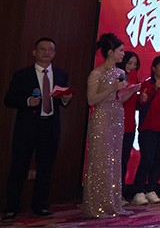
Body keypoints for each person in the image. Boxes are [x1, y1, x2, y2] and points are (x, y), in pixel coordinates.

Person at [4, 37, 75, 220]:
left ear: (54, 53)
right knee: (19, 167)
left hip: (50, 126)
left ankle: (41, 205)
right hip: (27, 128)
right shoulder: (22, 75)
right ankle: (11, 207)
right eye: (43, 49)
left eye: (50, 49)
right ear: (34, 52)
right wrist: (28, 101)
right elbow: (9, 99)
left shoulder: (60, 74)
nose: (46, 52)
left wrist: (66, 100)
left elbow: (62, 100)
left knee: (46, 168)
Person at [81, 33, 139, 219]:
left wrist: (130, 91)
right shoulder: (96, 73)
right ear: (110, 52)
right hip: (102, 118)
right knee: (100, 160)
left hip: (117, 117)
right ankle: (97, 206)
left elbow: (118, 98)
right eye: (120, 51)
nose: (123, 54)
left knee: (114, 161)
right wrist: (111, 88)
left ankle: (113, 204)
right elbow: (92, 100)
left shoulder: (120, 73)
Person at [131, 55, 160, 205]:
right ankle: (138, 190)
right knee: (147, 159)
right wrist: (154, 89)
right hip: (148, 127)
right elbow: (140, 103)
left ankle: (152, 188)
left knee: (158, 159)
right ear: (153, 68)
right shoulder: (145, 84)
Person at [116, 51, 140, 195]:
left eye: (135, 64)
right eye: (129, 63)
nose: (132, 66)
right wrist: (131, 90)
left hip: (130, 123)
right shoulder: (118, 77)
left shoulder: (135, 77)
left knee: (124, 159)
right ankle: (111, 193)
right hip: (116, 121)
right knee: (114, 160)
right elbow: (118, 99)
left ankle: (120, 192)